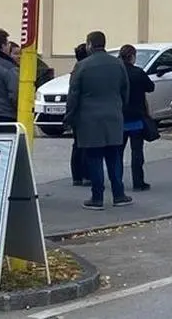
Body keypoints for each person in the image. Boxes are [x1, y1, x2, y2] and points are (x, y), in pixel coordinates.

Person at [66, 31, 130, 210]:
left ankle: (97, 197)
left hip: (89, 119)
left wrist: (69, 116)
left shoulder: (82, 66)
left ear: (89, 45)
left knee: (94, 158)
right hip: (113, 117)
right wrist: (118, 108)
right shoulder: (118, 64)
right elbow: (125, 91)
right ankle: (119, 194)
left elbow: (74, 95)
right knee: (114, 157)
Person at [118, 44, 154, 191]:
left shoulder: (117, 73)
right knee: (137, 151)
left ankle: (117, 181)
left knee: (118, 152)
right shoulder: (138, 73)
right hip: (136, 118)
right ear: (132, 57)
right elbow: (150, 87)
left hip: (119, 118)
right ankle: (138, 182)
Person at [68, 42, 91, 187]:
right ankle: (86, 174)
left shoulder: (75, 70)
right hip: (85, 112)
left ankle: (77, 176)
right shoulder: (84, 70)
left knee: (77, 144)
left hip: (76, 112)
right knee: (86, 145)